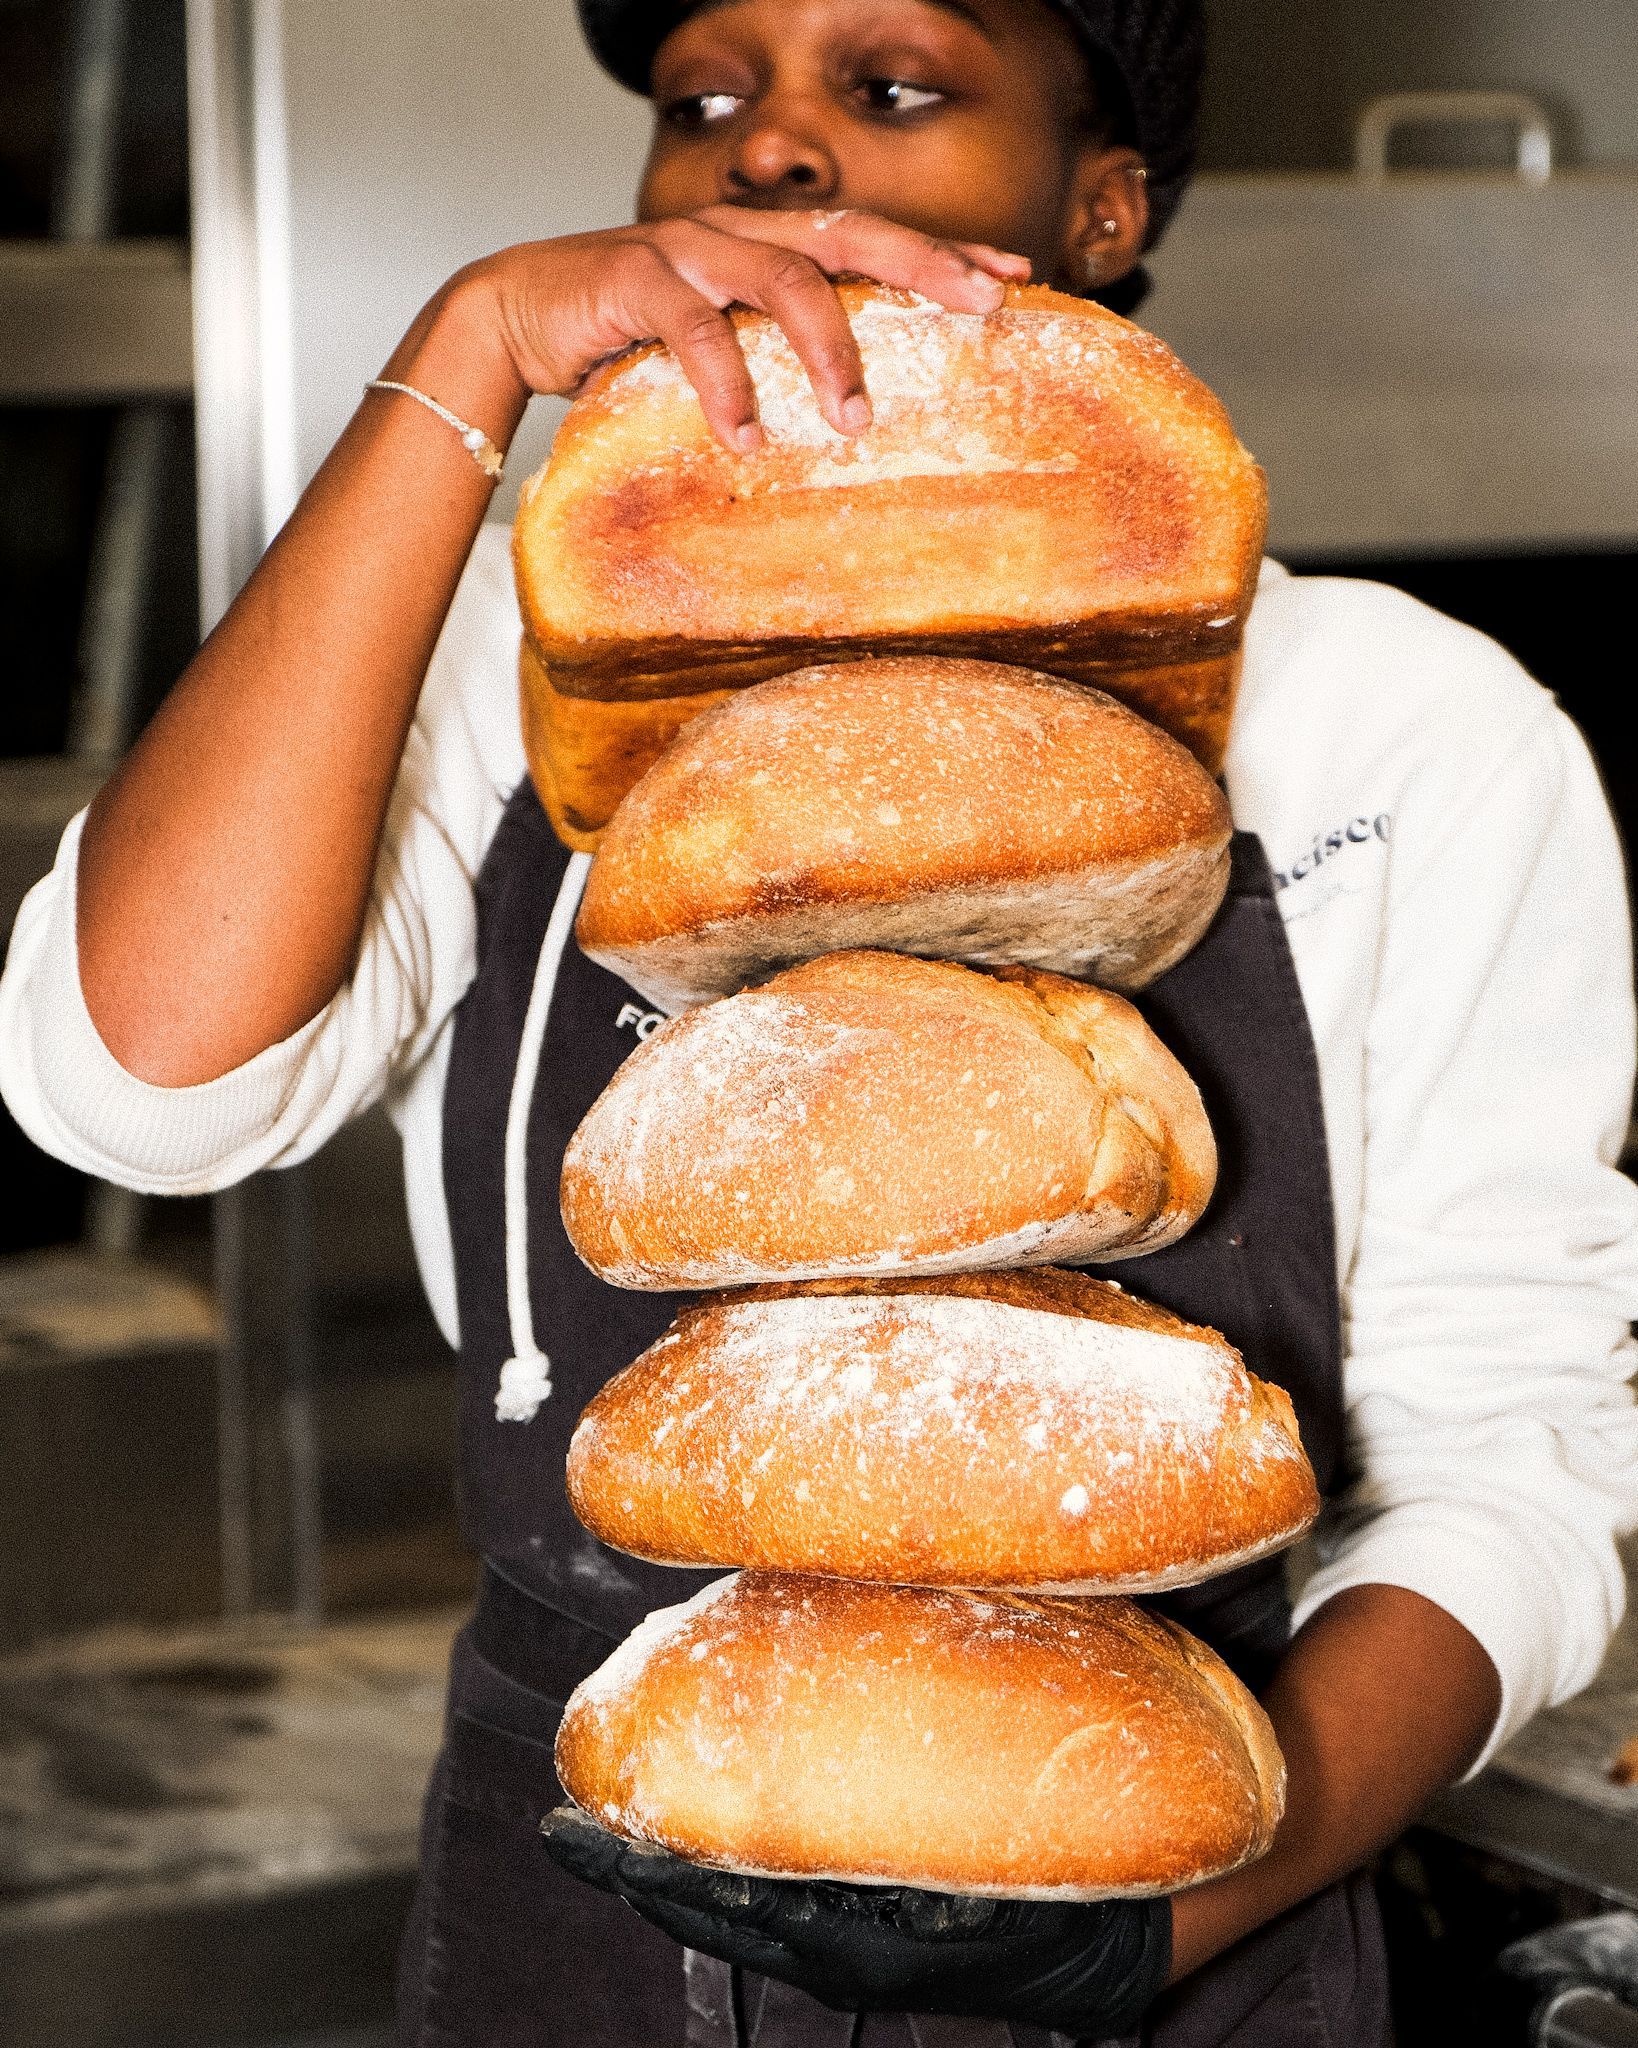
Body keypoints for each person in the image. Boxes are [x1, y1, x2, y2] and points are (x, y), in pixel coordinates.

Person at [3, 0, 1637, 2040]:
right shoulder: (500, 681)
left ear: (1101, 203)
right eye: (704, 98)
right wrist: (460, 366)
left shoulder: (1410, 732)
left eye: (891, 87)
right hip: (572, 1882)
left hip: (1169, 1862)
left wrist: (1192, 1893)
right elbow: (137, 1088)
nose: (765, 150)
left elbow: (1520, 1464)